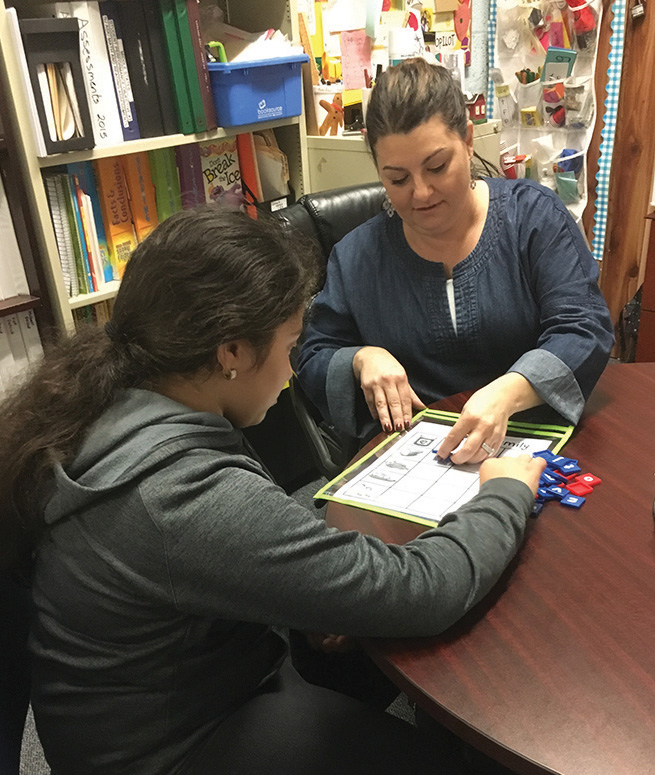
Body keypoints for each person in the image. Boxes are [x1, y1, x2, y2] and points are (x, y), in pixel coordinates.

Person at [0, 207, 546, 775]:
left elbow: (218, 556)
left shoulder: (110, 396)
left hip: (158, 699)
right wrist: (503, 494)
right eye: (290, 345)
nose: (291, 372)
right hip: (171, 748)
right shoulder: (178, 496)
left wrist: (301, 588)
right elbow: (422, 589)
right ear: (230, 352)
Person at [296, 58, 614, 464]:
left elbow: (583, 326)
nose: (422, 193)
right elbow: (313, 355)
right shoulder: (358, 257)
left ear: (467, 139)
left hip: (533, 448)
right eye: (397, 179)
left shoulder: (532, 219)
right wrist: (360, 359)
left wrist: (508, 391)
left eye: (437, 166)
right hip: (420, 462)